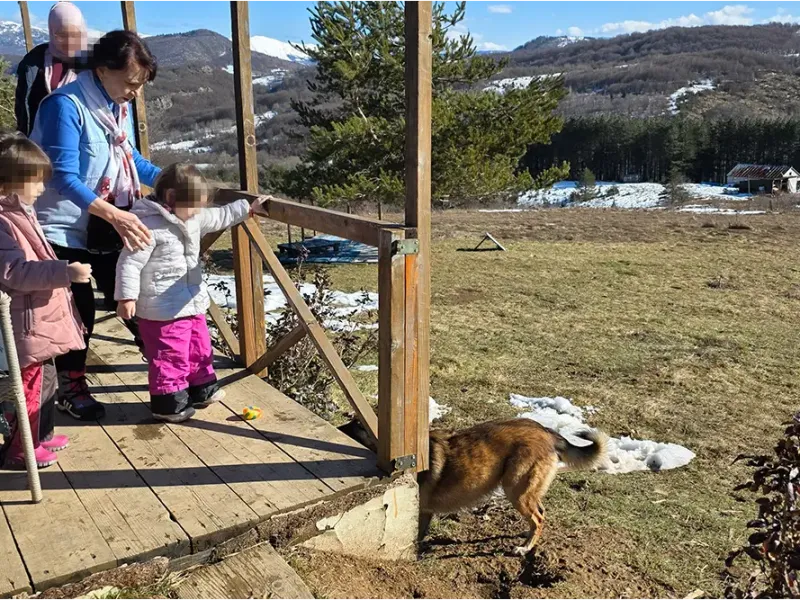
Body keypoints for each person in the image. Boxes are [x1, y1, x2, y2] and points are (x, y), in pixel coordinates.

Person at [28, 29, 159, 421]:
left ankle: (168, 366)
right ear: (103, 70)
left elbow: (130, 158)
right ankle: (72, 387)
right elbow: (64, 177)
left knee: (132, 291)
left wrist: (174, 181)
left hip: (103, 222)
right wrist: (117, 213)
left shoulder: (115, 105)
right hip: (63, 227)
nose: (135, 92)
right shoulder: (64, 107)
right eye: (132, 82)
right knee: (78, 311)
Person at [115, 164, 268, 422]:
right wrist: (126, 297)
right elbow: (129, 263)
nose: (198, 211)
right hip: (160, 308)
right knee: (170, 354)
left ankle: (202, 388)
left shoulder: (192, 217)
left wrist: (248, 207)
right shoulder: (147, 226)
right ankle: (168, 402)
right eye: (194, 205)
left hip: (190, 301)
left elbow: (220, 217)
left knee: (199, 346)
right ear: (172, 198)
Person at [0, 132, 89, 468]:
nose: (41, 189)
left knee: (45, 379)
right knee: (27, 388)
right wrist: (64, 272)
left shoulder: (19, 212)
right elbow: (16, 272)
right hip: (23, 322)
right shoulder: (2, 220)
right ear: (10, 180)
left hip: (35, 320)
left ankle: (40, 434)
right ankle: (21, 449)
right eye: (36, 182)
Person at [15, 1, 89, 136]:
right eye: (62, 35)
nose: (69, 41)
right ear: (51, 31)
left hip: (81, 141)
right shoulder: (34, 63)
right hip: (39, 141)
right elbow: (24, 108)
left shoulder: (92, 65)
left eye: (75, 35)